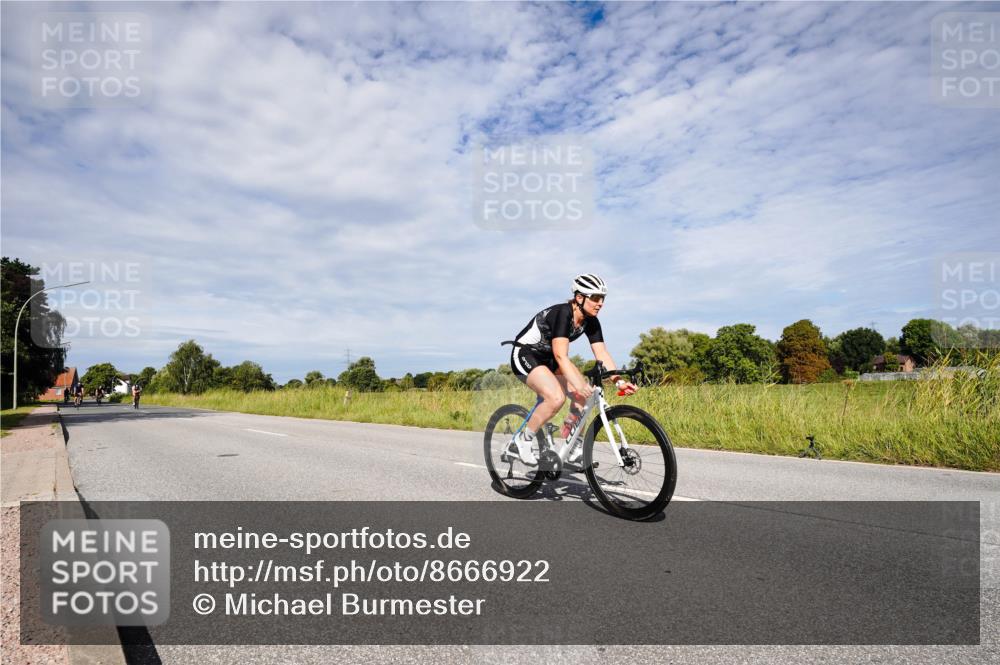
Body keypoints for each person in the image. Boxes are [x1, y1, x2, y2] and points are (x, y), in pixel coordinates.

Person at [506, 274, 637, 465]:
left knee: (582, 397)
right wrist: (578, 383)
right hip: (526, 354)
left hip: (550, 358)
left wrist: (619, 381)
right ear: (579, 297)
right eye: (595, 298)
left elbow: (601, 353)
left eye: (602, 298)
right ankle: (522, 441)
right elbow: (561, 356)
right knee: (556, 397)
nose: (600, 303)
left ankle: (572, 445)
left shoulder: (591, 320)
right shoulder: (563, 313)